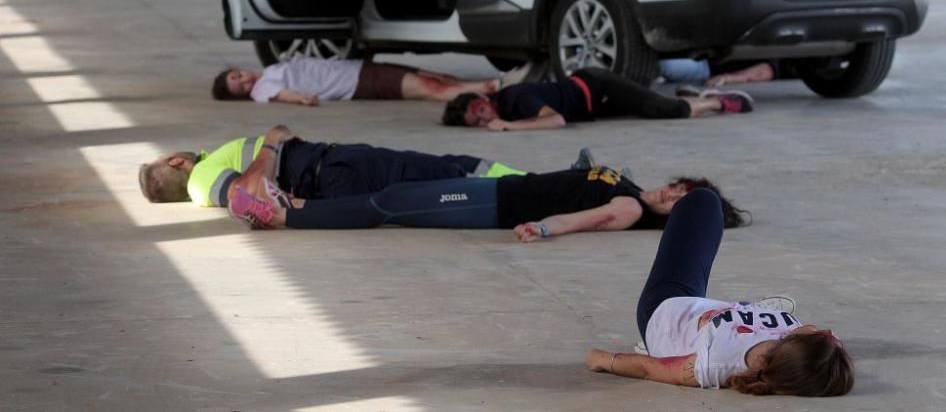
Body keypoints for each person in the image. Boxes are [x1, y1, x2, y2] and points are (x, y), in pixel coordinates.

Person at [585, 188, 853, 396]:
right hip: (713, 313)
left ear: (790, 346)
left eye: (827, 338)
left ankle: (654, 343)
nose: (832, 333)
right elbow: (821, 362)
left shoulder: (716, 363)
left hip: (666, 307)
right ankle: (751, 311)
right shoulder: (792, 353)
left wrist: (602, 360)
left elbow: (648, 369)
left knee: (702, 202)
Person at [227, 161, 749, 238]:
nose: (671, 192)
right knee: (393, 195)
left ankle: (280, 218)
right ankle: (295, 206)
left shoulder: (632, 208)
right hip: (496, 190)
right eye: (678, 185)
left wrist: (542, 229)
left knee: (390, 203)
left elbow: (583, 217)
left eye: (681, 200)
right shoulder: (632, 187)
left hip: (491, 206)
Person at [137, 125, 526, 209]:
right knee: (440, 175)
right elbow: (245, 195)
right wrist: (272, 143)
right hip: (332, 173)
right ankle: (541, 189)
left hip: (333, 167)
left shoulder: (205, 173)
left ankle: (535, 183)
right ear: (176, 161)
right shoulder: (201, 180)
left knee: (441, 168)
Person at [441, 67, 754, 131]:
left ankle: (717, 101)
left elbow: (554, 119)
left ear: (483, 97)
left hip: (597, 87)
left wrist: (509, 126)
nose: (484, 118)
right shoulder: (506, 105)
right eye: (477, 120)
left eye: (479, 109)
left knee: (666, 110)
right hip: (594, 105)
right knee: (651, 110)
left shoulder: (516, 99)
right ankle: (692, 96)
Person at [212, 56, 528, 106]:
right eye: (238, 85)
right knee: (429, 88)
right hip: (359, 82)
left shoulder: (267, 72)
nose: (243, 80)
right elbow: (287, 96)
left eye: (236, 75)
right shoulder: (263, 89)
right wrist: (303, 99)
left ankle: (489, 84)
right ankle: (493, 89)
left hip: (357, 68)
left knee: (434, 77)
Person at [659, 59, 779, 92]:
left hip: (705, 67)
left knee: (664, 64)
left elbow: (766, 71)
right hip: (703, 59)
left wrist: (726, 78)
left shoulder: (781, 60)